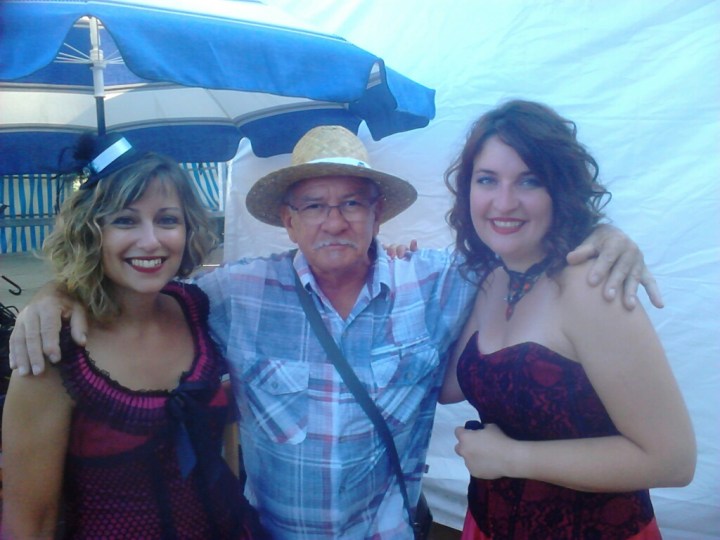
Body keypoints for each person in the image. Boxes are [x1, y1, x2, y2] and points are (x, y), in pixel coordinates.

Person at [8, 126, 660, 539]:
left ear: (378, 214)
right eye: (315, 206)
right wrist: (55, 294)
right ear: (287, 221)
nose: (335, 221)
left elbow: (522, 248)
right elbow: (140, 288)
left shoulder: (441, 281)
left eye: (352, 203)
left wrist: (602, 235)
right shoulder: (233, 294)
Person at [439, 100, 695, 539]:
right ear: (467, 191)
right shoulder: (492, 279)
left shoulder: (592, 288)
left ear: (560, 189)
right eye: (487, 179)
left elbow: (673, 460)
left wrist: (511, 459)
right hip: (487, 523)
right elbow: (447, 388)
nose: (504, 202)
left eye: (529, 180)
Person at [1, 134, 266, 539]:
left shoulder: (198, 307)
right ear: (91, 232)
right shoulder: (54, 350)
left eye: (167, 220)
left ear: (188, 228)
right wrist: (51, 294)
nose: (151, 240)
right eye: (125, 220)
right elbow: (30, 522)